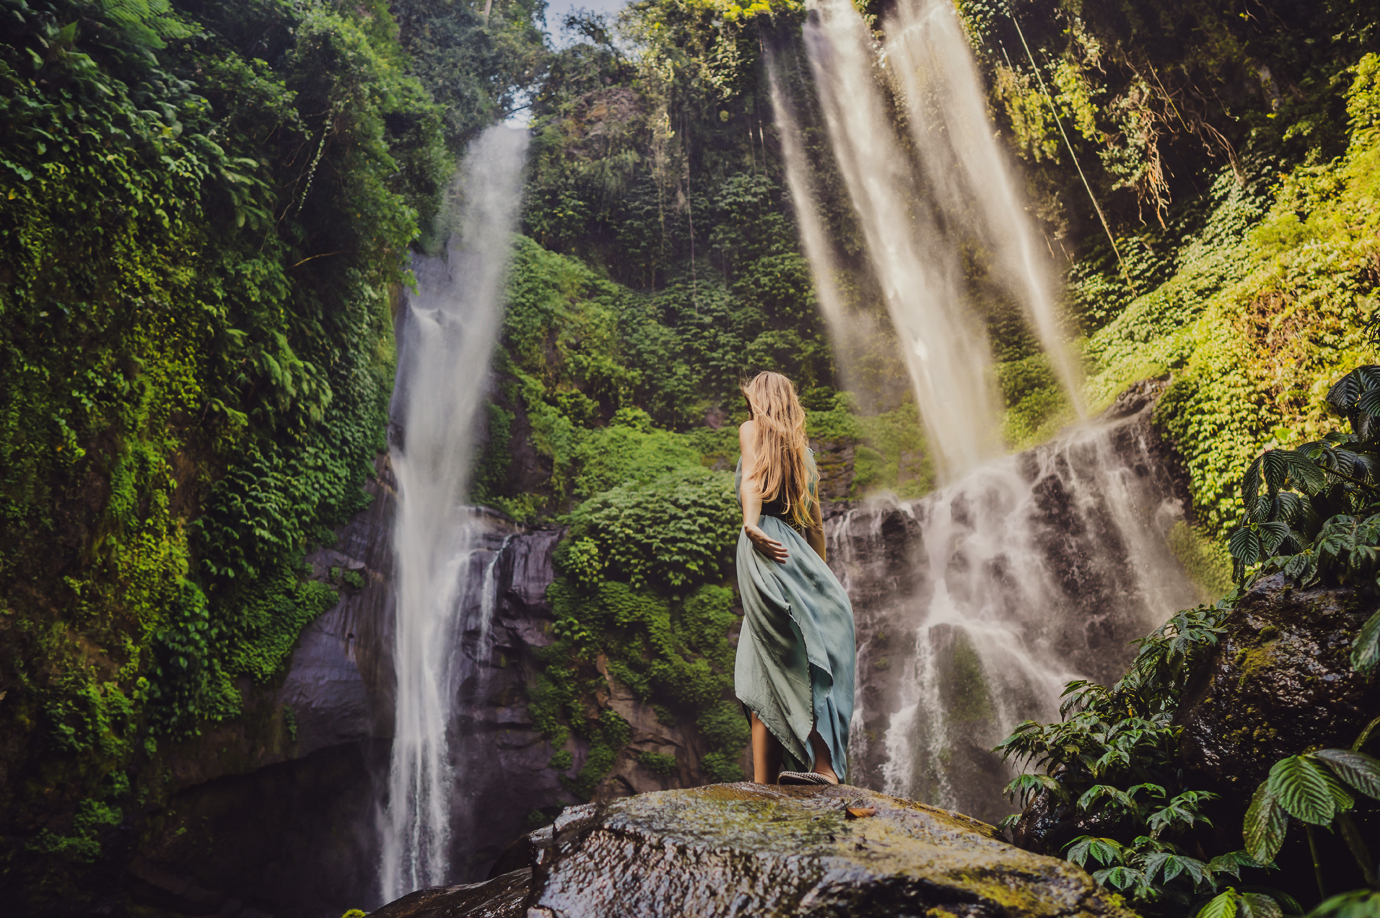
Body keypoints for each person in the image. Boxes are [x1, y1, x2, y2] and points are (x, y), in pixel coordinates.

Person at [734, 371, 856, 786]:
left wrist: (752, 525)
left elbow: (751, 478)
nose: (748, 404)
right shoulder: (802, 451)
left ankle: (783, 779)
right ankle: (808, 770)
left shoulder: (750, 430)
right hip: (797, 555)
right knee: (778, 659)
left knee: (770, 659)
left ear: (760, 399)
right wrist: (820, 579)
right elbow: (817, 527)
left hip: (764, 545)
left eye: (750, 396)